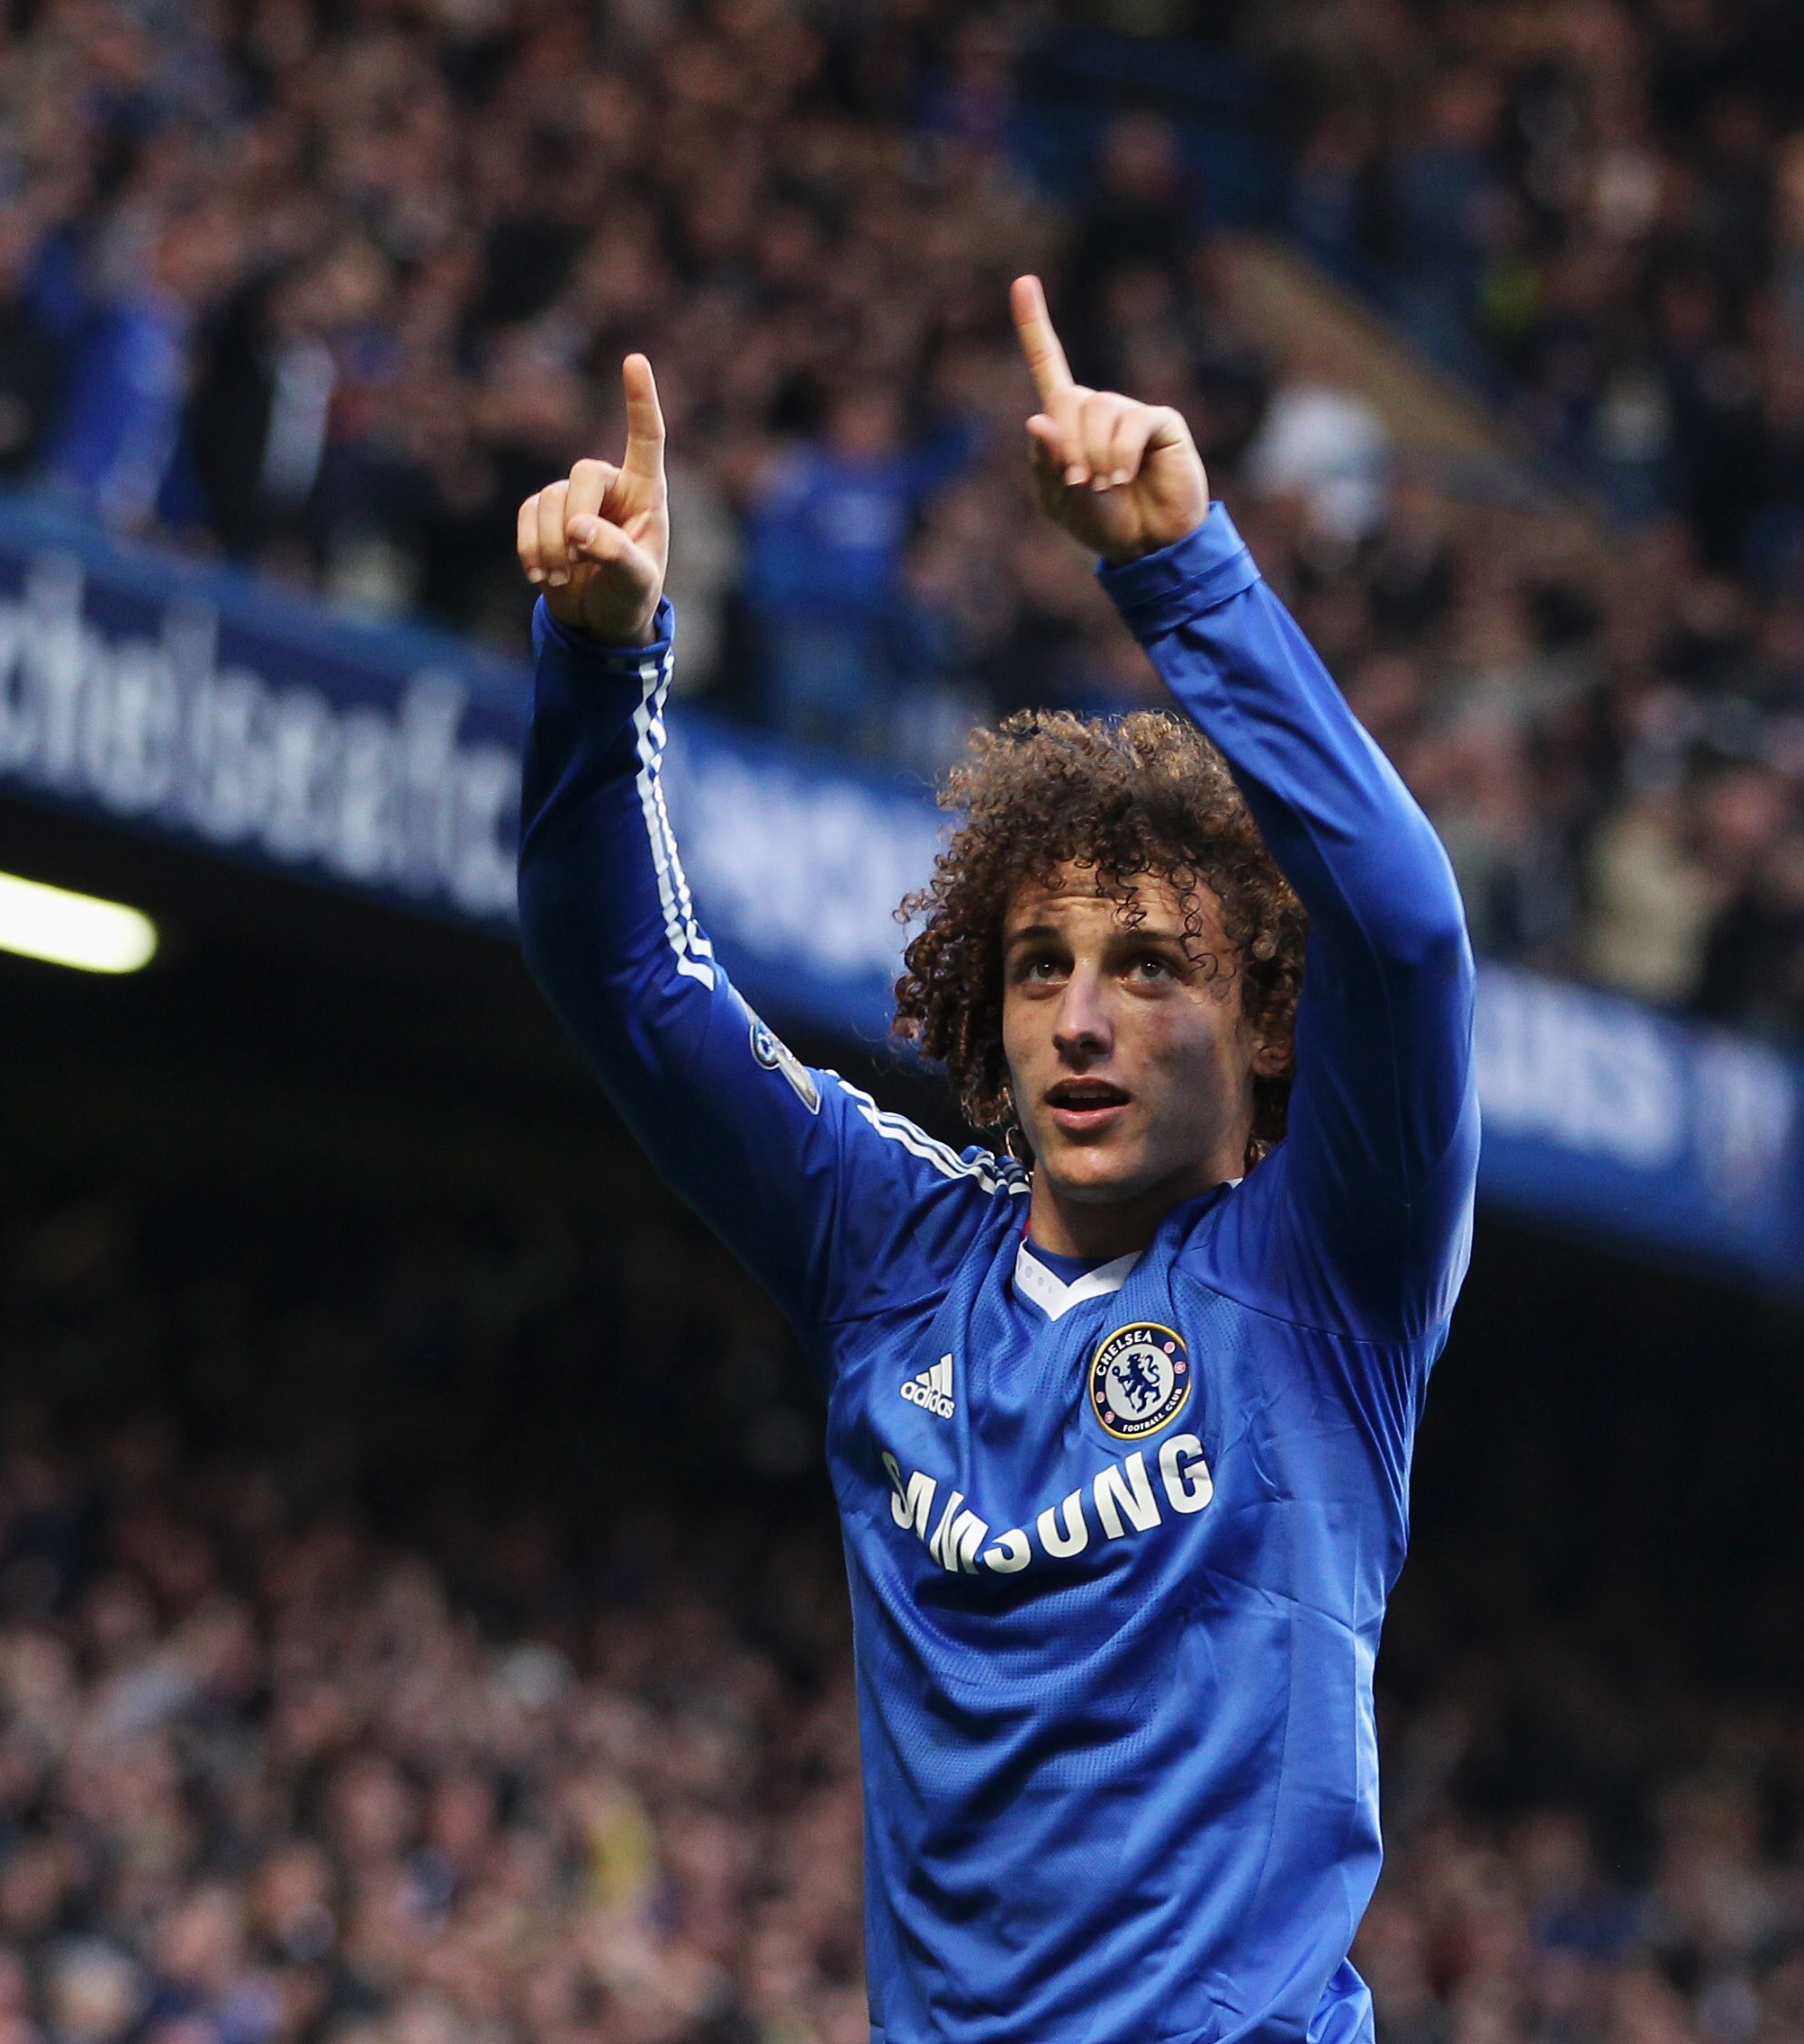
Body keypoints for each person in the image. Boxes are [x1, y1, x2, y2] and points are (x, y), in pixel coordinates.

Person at [511, 277, 1477, 2044]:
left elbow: (1405, 934)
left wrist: (1184, 574)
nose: (1083, 1020)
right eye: (1044, 965)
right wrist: (597, 663)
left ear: (1266, 1020)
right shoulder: (886, 1249)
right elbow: (633, 985)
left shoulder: (1321, 1270)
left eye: (1150, 963)